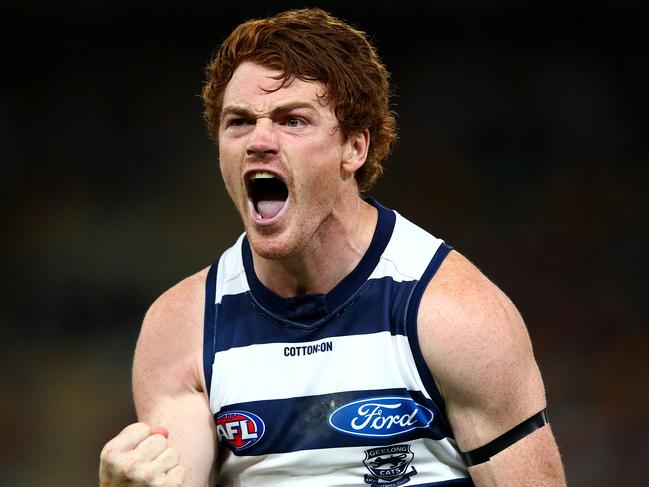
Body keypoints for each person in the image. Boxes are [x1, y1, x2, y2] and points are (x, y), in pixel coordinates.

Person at [99, 8, 566, 487]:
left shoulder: (456, 315)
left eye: (293, 121)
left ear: (354, 148)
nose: (259, 141)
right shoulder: (183, 329)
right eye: (238, 122)